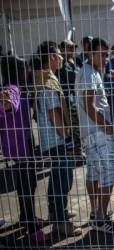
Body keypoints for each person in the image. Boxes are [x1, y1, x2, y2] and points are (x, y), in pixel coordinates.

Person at [75, 38, 114, 233]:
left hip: (92, 132)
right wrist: (107, 125)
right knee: (108, 174)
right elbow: (89, 106)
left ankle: (97, 213)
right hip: (98, 132)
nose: (106, 59)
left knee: (94, 173)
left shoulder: (90, 71)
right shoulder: (88, 73)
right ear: (91, 53)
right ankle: (101, 218)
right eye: (102, 55)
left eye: (107, 54)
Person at [34, 41, 82, 236]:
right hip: (56, 139)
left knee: (58, 177)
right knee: (63, 178)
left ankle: (57, 213)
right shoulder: (48, 82)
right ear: (52, 57)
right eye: (59, 54)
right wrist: (67, 137)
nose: (63, 57)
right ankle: (61, 224)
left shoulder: (45, 77)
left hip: (50, 139)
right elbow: (54, 113)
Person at [0, 56, 49, 242]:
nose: (27, 70)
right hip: (19, 146)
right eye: (25, 68)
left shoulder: (14, 87)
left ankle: (25, 218)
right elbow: (10, 106)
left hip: (21, 144)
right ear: (18, 70)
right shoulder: (12, 88)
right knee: (27, 186)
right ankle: (31, 227)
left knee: (27, 185)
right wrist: (6, 104)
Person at [57, 40, 83, 160]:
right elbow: (75, 77)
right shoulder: (62, 64)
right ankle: (75, 153)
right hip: (66, 102)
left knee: (75, 128)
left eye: (73, 48)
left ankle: (76, 152)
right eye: (69, 48)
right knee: (72, 128)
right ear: (62, 50)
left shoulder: (71, 62)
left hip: (72, 101)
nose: (73, 50)